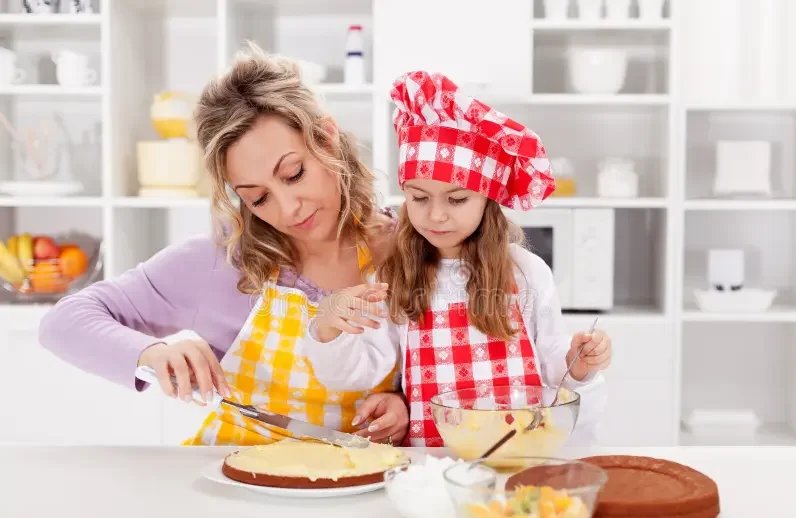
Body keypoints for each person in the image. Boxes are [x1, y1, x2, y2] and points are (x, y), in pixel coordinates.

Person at [37, 45, 410, 446]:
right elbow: (64, 321)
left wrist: (403, 402)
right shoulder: (220, 265)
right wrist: (150, 353)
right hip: (236, 493)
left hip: (357, 495)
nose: (289, 209)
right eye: (258, 198)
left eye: (294, 173)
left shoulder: (414, 244)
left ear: (327, 136)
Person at [303, 70, 612, 447]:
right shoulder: (392, 276)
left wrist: (580, 365)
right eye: (419, 197)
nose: (435, 215)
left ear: (488, 199)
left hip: (520, 454)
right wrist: (328, 328)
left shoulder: (527, 273)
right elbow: (361, 373)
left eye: (457, 199)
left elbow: (553, 366)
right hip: (430, 465)